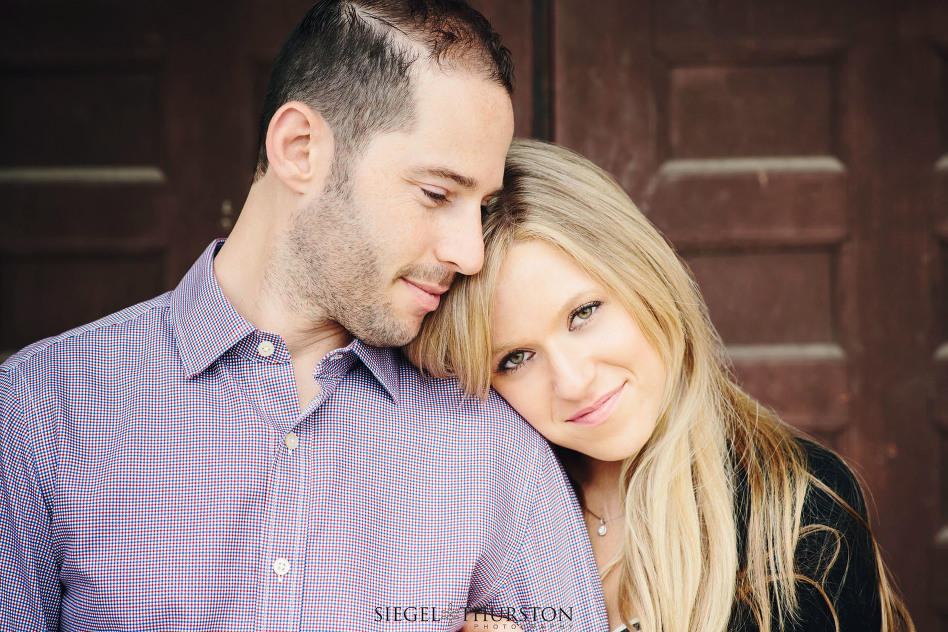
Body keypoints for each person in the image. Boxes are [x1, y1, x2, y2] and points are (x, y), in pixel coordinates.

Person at [0, 5, 609, 630]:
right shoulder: (42, 408)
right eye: (436, 193)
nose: (470, 252)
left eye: (480, 206)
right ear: (300, 149)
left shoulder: (489, 426)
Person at [408, 138, 916, 632]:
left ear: (646, 277)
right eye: (515, 358)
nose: (574, 380)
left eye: (583, 313)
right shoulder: (476, 520)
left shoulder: (795, 512)